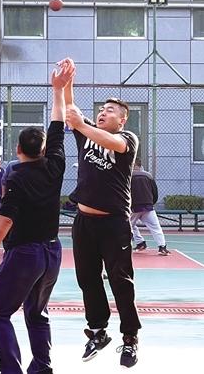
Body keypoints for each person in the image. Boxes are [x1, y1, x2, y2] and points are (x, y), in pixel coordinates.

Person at [0, 60, 75, 374]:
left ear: (17, 148)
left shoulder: (16, 176)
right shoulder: (55, 164)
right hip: (52, 251)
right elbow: (57, 123)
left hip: (25, 254)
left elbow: (5, 218)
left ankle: (12, 370)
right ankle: (42, 367)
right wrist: (58, 90)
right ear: (44, 149)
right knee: (37, 312)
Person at [66, 75, 141, 369]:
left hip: (113, 223)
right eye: (101, 109)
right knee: (87, 278)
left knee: (120, 280)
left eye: (110, 110)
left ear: (121, 120)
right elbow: (71, 109)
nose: (103, 112)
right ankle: (98, 331)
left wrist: (81, 124)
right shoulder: (87, 134)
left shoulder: (127, 139)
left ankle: (130, 337)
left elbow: (112, 142)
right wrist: (66, 84)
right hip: (84, 222)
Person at [130, 158, 170, 256]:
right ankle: (162, 247)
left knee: (128, 226)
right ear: (140, 165)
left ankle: (138, 243)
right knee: (155, 227)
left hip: (134, 207)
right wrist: (151, 203)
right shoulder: (148, 175)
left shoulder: (128, 176)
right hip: (148, 206)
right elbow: (155, 192)